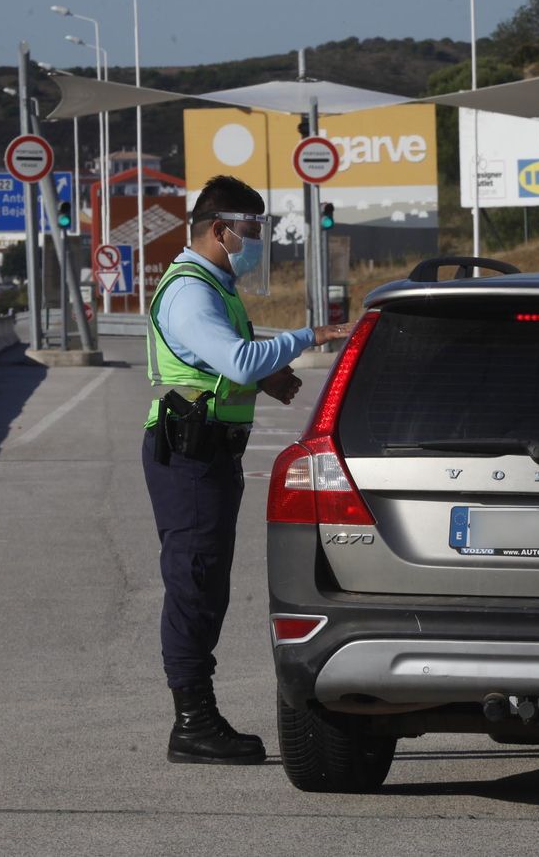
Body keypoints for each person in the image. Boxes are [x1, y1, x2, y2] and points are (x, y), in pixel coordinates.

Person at [142, 174, 350, 765]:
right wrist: (309, 336)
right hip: (189, 455)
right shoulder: (190, 290)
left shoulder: (215, 285)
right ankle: (193, 722)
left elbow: (216, 364)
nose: (256, 242)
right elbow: (235, 359)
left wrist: (265, 379)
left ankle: (197, 718)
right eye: (251, 231)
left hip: (210, 453)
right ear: (219, 229)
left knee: (207, 585)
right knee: (193, 584)